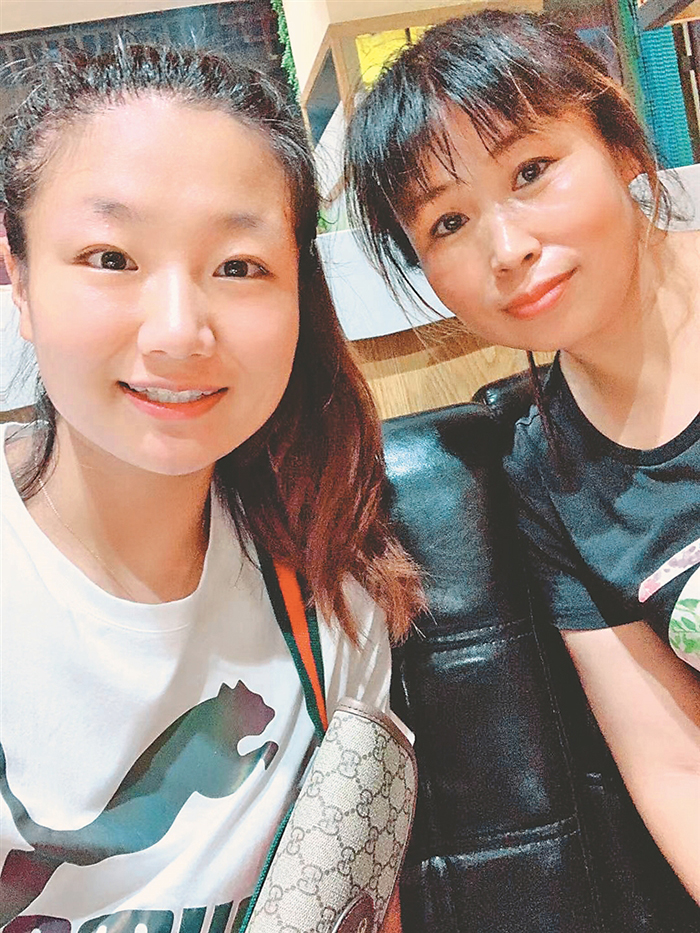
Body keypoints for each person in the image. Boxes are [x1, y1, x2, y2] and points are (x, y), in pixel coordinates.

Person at [0, 44, 420, 928]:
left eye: (237, 265)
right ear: (20, 276)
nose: (178, 331)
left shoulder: (329, 598)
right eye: (111, 257)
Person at [345, 9, 700, 902]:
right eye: (448, 221)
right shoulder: (547, 474)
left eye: (532, 171)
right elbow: (673, 763)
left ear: (619, 140)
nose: (507, 250)